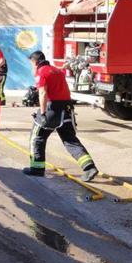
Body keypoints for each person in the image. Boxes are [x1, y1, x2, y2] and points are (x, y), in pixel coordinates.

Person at [23, 50, 99, 182]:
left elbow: (43, 93)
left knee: (37, 137)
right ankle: (89, 167)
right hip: (67, 109)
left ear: (35, 62)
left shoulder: (41, 73)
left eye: (31, 64)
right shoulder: (56, 70)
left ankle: (37, 169)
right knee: (70, 140)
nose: (31, 67)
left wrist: (42, 113)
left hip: (52, 109)